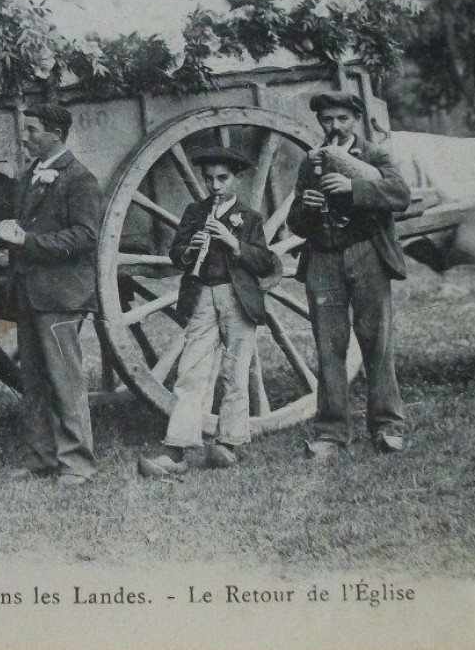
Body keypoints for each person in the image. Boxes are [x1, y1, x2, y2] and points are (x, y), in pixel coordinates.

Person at [0, 105, 102, 485]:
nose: (24, 137)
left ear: (56, 133)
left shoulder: (80, 180)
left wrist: (31, 242)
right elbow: (18, 230)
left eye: (32, 130)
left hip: (60, 295)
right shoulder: (30, 177)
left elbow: (86, 236)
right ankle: (41, 459)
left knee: (65, 379)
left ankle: (77, 463)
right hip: (29, 292)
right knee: (35, 381)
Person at [138, 147, 278, 478]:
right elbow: (176, 256)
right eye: (209, 180)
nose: (215, 186)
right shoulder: (194, 212)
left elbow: (264, 262)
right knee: (191, 371)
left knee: (235, 369)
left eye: (222, 179)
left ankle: (229, 443)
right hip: (202, 295)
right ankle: (178, 448)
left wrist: (233, 242)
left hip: (237, 298)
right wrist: (190, 249)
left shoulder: (250, 218)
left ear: (238, 180)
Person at [287, 91, 411, 457]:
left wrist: (353, 188)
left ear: (355, 119)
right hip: (323, 258)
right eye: (327, 120)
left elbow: (400, 196)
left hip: (366, 253)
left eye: (342, 118)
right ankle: (331, 434)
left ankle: (387, 426)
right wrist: (307, 209)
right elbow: (296, 223)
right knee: (329, 346)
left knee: (377, 341)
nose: (335, 126)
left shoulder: (376, 155)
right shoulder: (312, 161)